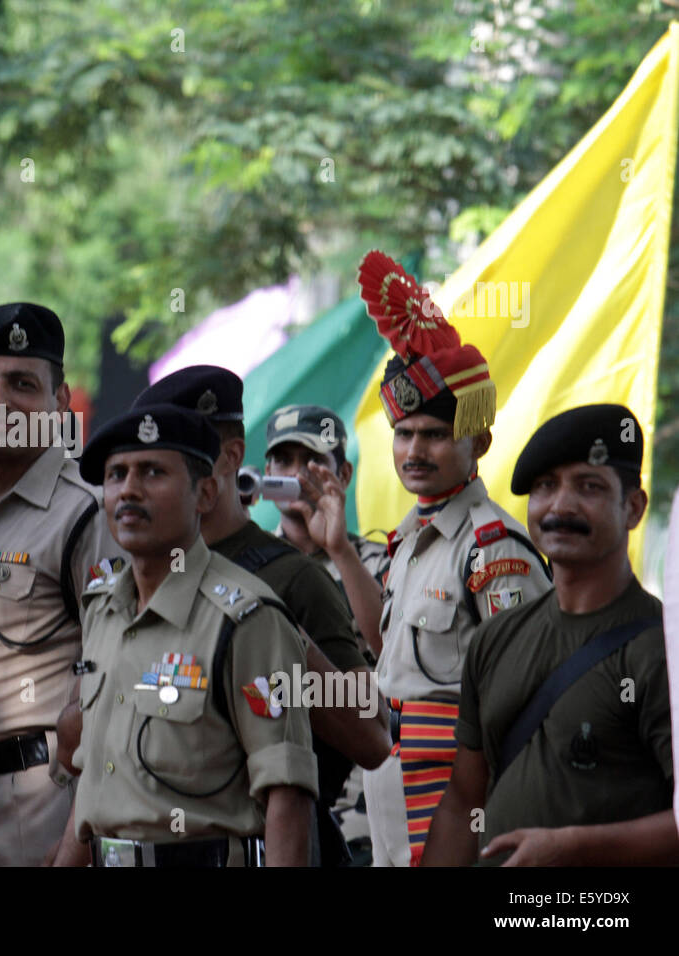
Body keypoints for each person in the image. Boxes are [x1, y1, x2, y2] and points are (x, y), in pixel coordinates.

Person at [126, 366, 388, 867]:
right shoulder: (132, 577)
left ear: (230, 458)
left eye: (172, 459)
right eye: (142, 463)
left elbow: (371, 734)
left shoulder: (293, 578)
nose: (146, 479)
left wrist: (275, 641)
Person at [355, 250, 551, 866]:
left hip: (458, 792)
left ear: (478, 440)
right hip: (391, 779)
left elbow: (520, 698)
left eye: (435, 435)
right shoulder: (409, 539)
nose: (415, 449)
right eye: (404, 434)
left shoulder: (494, 548)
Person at [424, 404, 678, 865]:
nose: (561, 506)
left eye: (589, 487)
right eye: (545, 487)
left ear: (634, 508)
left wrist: (573, 847)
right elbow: (464, 801)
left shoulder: (661, 650)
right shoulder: (494, 638)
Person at [65, 404, 317, 866]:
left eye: (153, 472)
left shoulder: (247, 617)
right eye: (116, 474)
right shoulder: (102, 609)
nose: (129, 491)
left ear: (205, 494)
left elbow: (286, 793)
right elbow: (93, 779)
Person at [0, 299, 120, 867]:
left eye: (21, 383)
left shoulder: (89, 516)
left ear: (59, 402)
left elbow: (113, 682)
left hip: (39, 810)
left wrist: (75, 845)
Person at [263, 403, 392, 862]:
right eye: (284, 460)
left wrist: (339, 551)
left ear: (345, 473)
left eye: (312, 462)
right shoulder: (251, 565)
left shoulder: (379, 561)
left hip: (368, 794)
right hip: (277, 785)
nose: (297, 474)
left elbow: (392, 646)